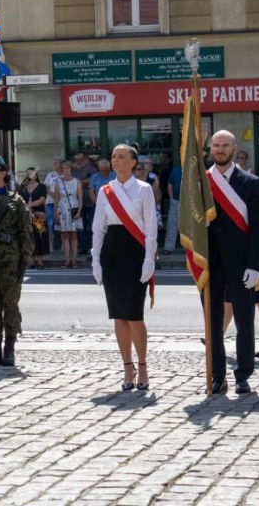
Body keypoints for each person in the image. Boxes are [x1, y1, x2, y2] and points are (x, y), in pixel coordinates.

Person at [92, 142, 157, 391]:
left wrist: (149, 259)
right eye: (113, 157)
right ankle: (127, 367)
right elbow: (99, 228)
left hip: (135, 254)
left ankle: (143, 366)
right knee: (119, 315)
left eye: (121, 157)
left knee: (135, 316)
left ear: (133, 162)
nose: (115, 160)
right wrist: (96, 260)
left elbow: (151, 227)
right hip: (112, 254)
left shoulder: (144, 189)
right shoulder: (105, 191)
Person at [205, 130, 259, 395]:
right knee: (213, 324)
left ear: (234, 148)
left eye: (225, 145)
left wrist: (254, 264)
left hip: (241, 263)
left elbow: (258, 227)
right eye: (216, 145)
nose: (220, 150)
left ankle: (243, 374)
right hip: (209, 262)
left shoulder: (250, 183)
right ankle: (217, 375)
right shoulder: (200, 182)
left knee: (244, 321)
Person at [0, 156, 33, 367]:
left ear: (3, 173)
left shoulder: (15, 201)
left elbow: (25, 232)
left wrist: (24, 261)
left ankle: (9, 347)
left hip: (10, 260)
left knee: (10, 304)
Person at [53, 160, 83, 268]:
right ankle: (67, 260)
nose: (66, 170)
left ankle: (74, 260)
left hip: (74, 208)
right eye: (64, 168)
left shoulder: (77, 181)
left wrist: (79, 211)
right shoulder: (58, 182)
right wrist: (55, 213)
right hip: (62, 209)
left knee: (74, 235)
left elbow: (80, 199)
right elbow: (56, 199)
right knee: (65, 235)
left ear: (71, 169)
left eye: (68, 168)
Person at [19, 167, 49, 269]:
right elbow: (19, 200)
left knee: (40, 236)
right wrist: (25, 207)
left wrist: (30, 205)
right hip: (26, 216)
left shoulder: (42, 187)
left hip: (38, 216)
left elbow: (42, 200)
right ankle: (31, 262)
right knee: (28, 237)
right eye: (27, 174)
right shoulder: (23, 187)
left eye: (31, 174)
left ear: (36, 176)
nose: (29, 176)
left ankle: (40, 262)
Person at [74, 153, 97, 255]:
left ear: (86, 160)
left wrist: (79, 182)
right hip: (79, 202)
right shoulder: (74, 171)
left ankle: (93, 247)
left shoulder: (92, 170)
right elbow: (73, 182)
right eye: (76, 160)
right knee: (81, 226)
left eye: (81, 159)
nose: (78, 161)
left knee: (93, 224)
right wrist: (84, 182)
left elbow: (91, 181)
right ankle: (83, 247)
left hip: (91, 201)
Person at [162, 158, 182, 255]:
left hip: (190, 202)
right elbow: (170, 183)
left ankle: (190, 249)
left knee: (190, 226)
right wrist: (171, 197)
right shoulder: (176, 169)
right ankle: (168, 248)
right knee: (172, 224)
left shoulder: (195, 169)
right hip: (176, 200)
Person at [45, 156, 63, 252]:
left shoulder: (65, 175)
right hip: (50, 202)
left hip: (61, 202)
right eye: (54, 163)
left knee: (62, 222)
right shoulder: (50, 175)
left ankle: (63, 246)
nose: (54, 165)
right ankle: (50, 246)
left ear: (61, 164)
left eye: (56, 163)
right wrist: (52, 194)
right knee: (50, 222)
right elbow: (46, 187)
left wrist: (58, 196)